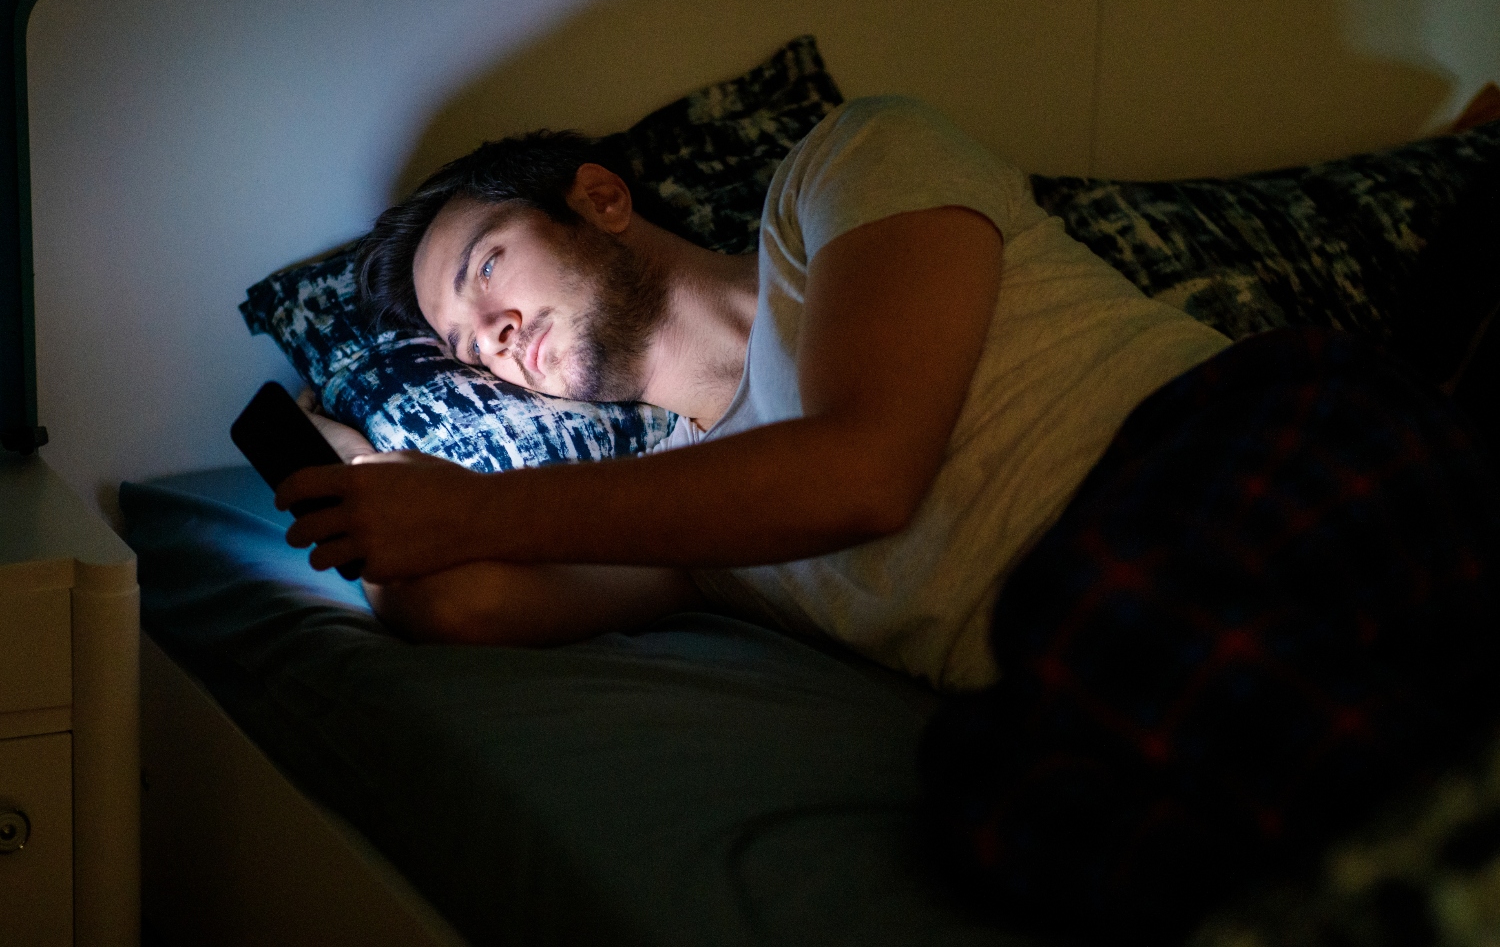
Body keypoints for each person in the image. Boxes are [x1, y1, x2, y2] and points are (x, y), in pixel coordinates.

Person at [280, 95, 1231, 691]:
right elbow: (460, 606)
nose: (487, 338)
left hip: (1220, 478)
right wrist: (357, 480)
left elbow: (863, 470)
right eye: (458, 344)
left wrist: (473, 510)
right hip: (1120, 667)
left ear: (602, 201)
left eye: (487, 267)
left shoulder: (850, 166)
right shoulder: (695, 520)